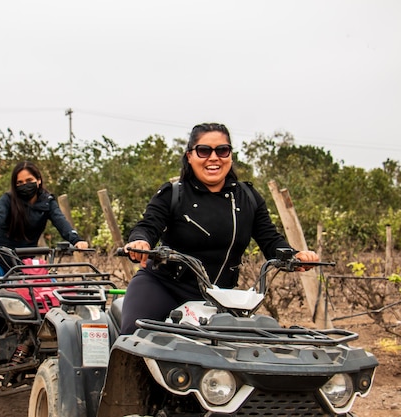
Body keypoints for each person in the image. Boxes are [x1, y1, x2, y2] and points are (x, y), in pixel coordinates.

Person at [121, 123, 319, 334]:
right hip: (163, 287)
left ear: (230, 156)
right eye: (204, 150)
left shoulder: (249, 198)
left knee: (247, 349)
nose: (214, 157)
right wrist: (140, 242)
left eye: (222, 150)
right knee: (134, 338)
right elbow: (148, 226)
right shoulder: (173, 193)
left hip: (221, 298)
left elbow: (270, 240)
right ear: (190, 156)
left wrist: (295, 256)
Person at [0, 160, 88, 278]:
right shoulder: (8, 200)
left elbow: (60, 221)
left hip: (26, 260)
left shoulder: (48, 202)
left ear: (38, 180)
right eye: (20, 182)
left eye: (29, 180)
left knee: (49, 288)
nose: (25, 185)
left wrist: (76, 240)